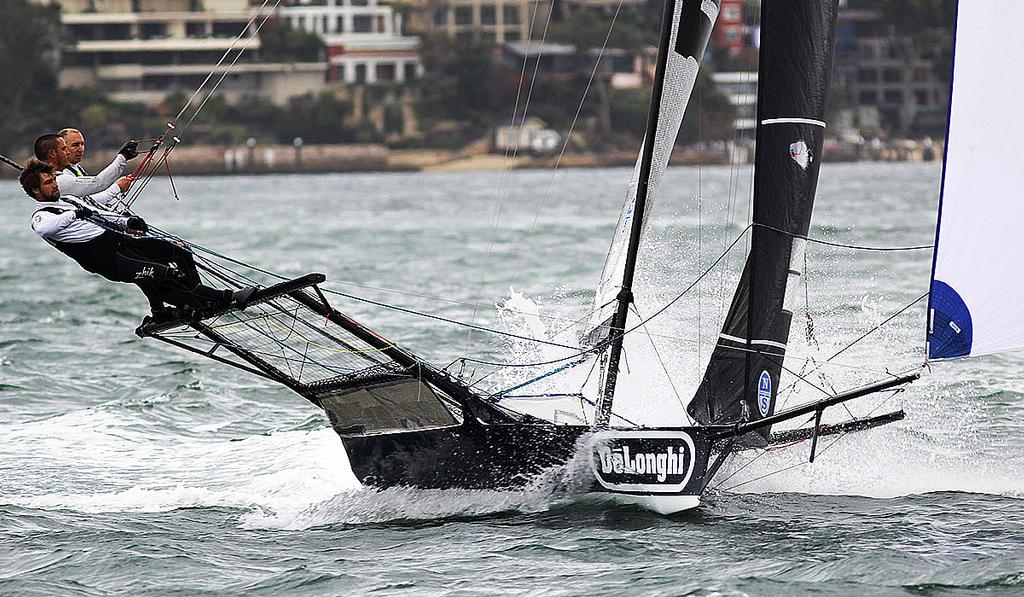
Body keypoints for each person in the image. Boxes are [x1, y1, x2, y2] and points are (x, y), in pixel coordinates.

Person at [19, 159, 256, 322]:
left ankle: (194, 303)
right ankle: (224, 298)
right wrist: (75, 215)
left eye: (53, 180)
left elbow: (102, 214)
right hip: (110, 261)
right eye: (48, 183)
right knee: (167, 276)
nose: (54, 185)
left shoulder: (69, 200)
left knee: (179, 253)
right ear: (36, 191)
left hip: (121, 242)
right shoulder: (41, 216)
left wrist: (127, 222)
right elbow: (45, 229)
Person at [33, 132, 138, 199]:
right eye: (64, 149)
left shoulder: (72, 170)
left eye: (82, 144)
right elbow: (98, 183)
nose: (68, 153)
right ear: (52, 154)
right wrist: (122, 157)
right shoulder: (59, 181)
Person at [59, 127, 132, 208]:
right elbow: (97, 186)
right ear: (62, 149)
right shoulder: (62, 175)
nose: (81, 149)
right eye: (75, 145)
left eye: (82, 144)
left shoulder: (77, 168)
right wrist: (117, 187)